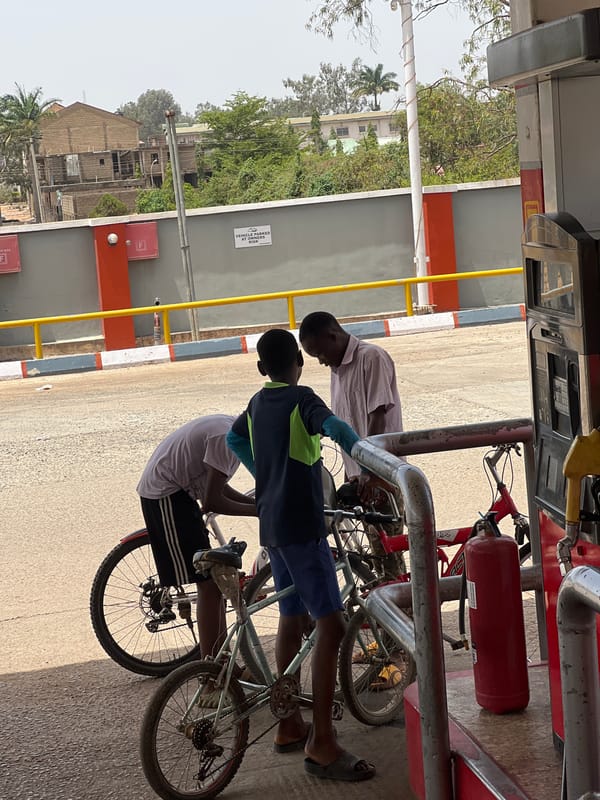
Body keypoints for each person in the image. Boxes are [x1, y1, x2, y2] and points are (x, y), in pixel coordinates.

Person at [227, 328, 376, 783]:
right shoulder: (301, 398)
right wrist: (367, 457)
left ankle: (290, 723)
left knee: (291, 618)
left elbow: (235, 439)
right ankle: (323, 741)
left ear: (261, 368)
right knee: (332, 626)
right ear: (300, 361)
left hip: (272, 526)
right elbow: (336, 428)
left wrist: (265, 473)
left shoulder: (257, 403)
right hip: (302, 526)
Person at [136, 414, 256, 659]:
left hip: (179, 489)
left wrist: (257, 505)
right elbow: (213, 501)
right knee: (209, 584)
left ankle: (220, 660)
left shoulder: (232, 430)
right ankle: (210, 666)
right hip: (166, 494)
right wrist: (258, 510)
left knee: (214, 580)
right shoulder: (225, 439)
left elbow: (218, 487)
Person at [299, 311, 405, 578]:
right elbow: (347, 425)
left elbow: (377, 416)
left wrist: (368, 470)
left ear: (332, 336)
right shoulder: (337, 371)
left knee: (390, 561)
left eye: (319, 353)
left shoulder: (371, 358)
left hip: (380, 475)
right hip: (361, 478)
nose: (321, 361)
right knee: (376, 557)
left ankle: (403, 604)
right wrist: (352, 474)